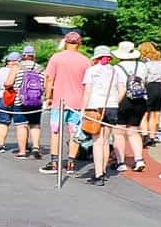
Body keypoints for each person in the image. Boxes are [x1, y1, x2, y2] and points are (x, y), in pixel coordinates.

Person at [39, 32, 88, 173]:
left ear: (65, 42)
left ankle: (54, 162)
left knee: (56, 131)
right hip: (78, 102)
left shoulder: (56, 58)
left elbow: (49, 79)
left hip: (59, 101)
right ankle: (71, 162)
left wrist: (48, 97)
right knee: (74, 132)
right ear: (79, 43)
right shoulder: (85, 61)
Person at [80, 44, 129, 185]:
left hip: (95, 106)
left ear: (96, 57)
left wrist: (83, 110)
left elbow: (87, 92)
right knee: (106, 141)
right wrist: (115, 101)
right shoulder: (116, 71)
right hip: (112, 106)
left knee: (97, 141)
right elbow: (122, 90)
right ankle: (104, 170)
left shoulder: (91, 71)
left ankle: (98, 173)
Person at [110, 42, 149, 174]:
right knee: (133, 131)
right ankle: (139, 159)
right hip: (140, 100)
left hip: (124, 100)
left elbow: (120, 88)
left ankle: (121, 162)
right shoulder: (142, 66)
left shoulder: (117, 68)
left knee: (118, 132)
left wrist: (115, 104)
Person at [137, 42, 161, 144]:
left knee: (145, 113)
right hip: (159, 86)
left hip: (148, 86)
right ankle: (152, 135)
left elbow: (143, 77)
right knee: (155, 112)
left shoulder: (144, 63)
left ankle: (145, 135)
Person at [0, 52, 20, 153]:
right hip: (16, 99)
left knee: (2, 123)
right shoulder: (19, 70)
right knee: (20, 124)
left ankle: (1, 145)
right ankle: (23, 145)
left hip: (0, 97)